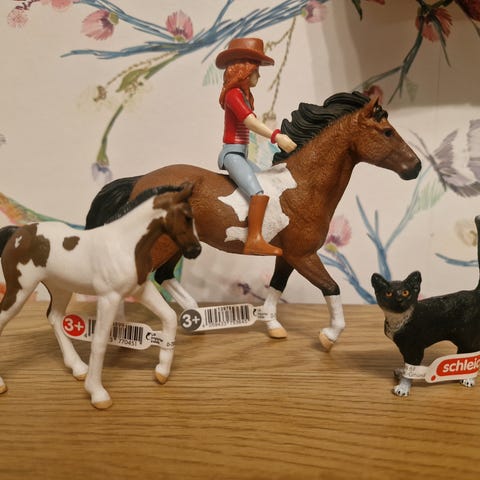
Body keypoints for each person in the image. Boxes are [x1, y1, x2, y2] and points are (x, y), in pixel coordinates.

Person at [215, 38, 297, 256]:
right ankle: (254, 239)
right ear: (244, 71)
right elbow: (250, 122)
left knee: (268, 182)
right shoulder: (233, 95)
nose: (258, 76)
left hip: (241, 155)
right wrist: (276, 136)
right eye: (256, 71)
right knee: (257, 192)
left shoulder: (244, 95)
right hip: (233, 155)